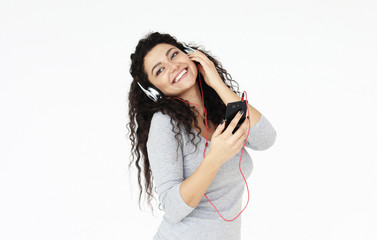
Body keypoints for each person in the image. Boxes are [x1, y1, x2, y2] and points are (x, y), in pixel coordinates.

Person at [128, 31, 277, 240]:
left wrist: (217, 83)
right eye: (160, 70)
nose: (173, 66)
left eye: (174, 55)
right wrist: (215, 158)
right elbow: (173, 208)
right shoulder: (165, 123)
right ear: (154, 90)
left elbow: (265, 139)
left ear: (189, 54)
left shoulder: (218, 109)